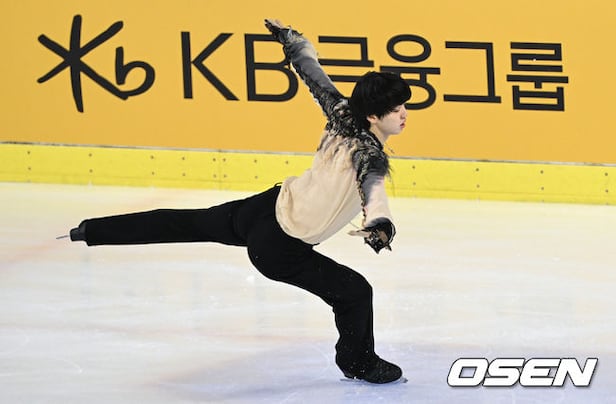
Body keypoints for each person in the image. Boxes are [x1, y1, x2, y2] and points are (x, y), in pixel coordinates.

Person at [66, 19, 411, 384]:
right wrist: (380, 225)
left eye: (403, 105)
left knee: (188, 223)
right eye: (396, 109)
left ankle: (91, 230)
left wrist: (293, 41)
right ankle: (359, 363)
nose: (404, 114)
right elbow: (374, 194)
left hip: (264, 208)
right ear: (373, 116)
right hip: (281, 248)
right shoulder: (369, 156)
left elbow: (312, 73)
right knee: (355, 293)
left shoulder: (341, 112)